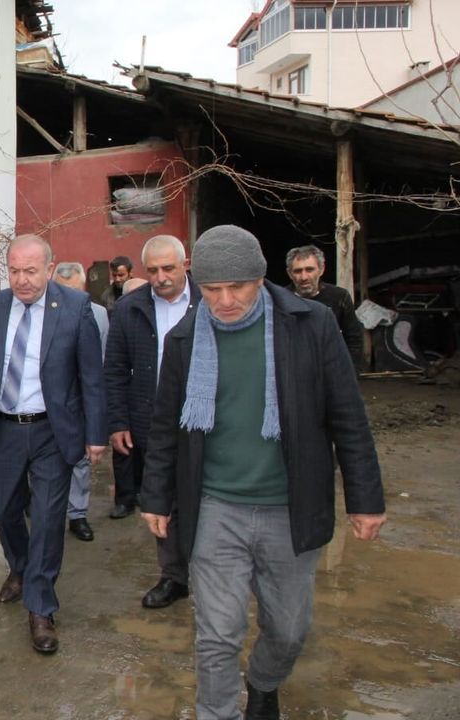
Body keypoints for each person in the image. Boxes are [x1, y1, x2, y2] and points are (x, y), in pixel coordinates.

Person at [141, 225, 385, 719]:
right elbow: (166, 426)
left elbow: (347, 416)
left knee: (289, 629)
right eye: (212, 289)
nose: (225, 301)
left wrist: (365, 498)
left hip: (289, 505)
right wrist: (156, 497)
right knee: (217, 633)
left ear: (260, 279)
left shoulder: (310, 325)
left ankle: (265, 681)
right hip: (214, 506)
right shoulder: (185, 337)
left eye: (237, 287)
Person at [0, 234, 106, 655]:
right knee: (3, 509)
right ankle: (21, 568)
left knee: (48, 517)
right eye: (14, 271)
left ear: (50, 269)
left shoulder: (75, 308)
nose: (21, 280)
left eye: (31, 271)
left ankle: (40, 607)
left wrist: (96, 434)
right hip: (3, 429)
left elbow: (92, 377)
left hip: (53, 430)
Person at [103, 234, 200, 610]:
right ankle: (174, 576)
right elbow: (114, 369)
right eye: (153, 270)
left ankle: (209, 571)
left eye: (168, 268)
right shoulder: (130, 308)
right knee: (162, 497)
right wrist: (118, 421)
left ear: (185, 265)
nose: (160, 277)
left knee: (204, 498)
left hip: (203, 419)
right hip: (152, 419)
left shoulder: (207, 302)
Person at [51, 261, 109, 543]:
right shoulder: (40, 313)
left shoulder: (98, 315)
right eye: (62, 290)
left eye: (74, 291)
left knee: (80, 461)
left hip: (79, 401)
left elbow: (101, 365)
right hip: (47, 402)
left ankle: (77, 514)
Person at [285, 245, 362, 367]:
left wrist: (351, 372)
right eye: (298, 271)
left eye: (309, 270)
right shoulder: (281, 300)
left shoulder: (339, 297)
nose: (304, 277)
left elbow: (354, 340)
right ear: (289, 274)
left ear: (321, 269)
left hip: (331, 368)